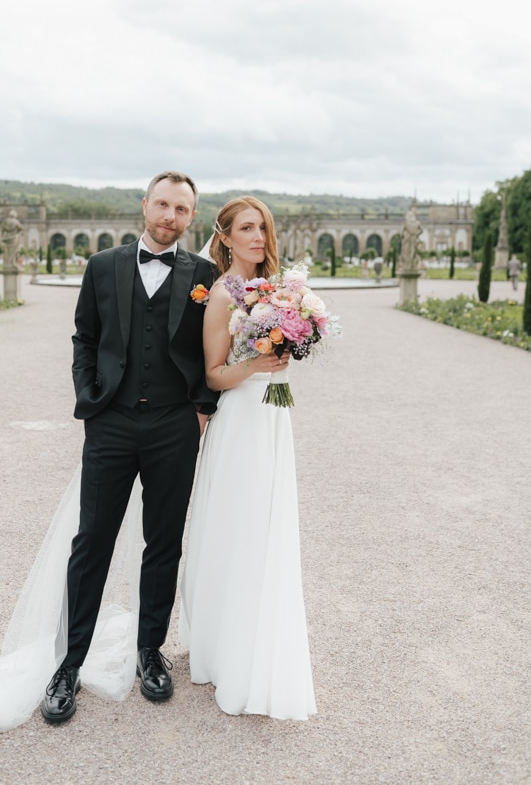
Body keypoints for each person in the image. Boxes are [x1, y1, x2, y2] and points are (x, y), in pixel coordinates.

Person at [0, 171, 217, 731]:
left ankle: (150, 652)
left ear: (192, 217)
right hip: (112, 424)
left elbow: (211, 344)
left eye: (181, 209)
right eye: (163, 204)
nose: (170, 216)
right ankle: (68, 663)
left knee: (163, 542)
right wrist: (90, 400)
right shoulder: (103, 266)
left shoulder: (205, 275)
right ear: (145, 205)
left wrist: (201, 407)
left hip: (174, 426)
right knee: (91, 541)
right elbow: (85, 338)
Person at [179, 196, 317, 720]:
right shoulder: (221, 294)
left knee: (268, 527)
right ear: (226, 237)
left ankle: (261, 635)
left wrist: (291, 344)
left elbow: (282, 355)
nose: (258, 237)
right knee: (238, 526)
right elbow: (214, 374)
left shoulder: (280, 290)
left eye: (263, 228)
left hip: (274, 416)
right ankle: (226, 646)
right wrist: (258, 364)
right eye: (247, 228)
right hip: (240, 420)